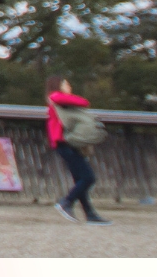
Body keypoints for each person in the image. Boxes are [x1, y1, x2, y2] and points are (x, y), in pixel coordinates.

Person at [45, 76, 109, 225]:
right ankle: (66, 202)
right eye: (66, 84)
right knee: (88, 177)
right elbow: (83, 102)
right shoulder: (56, 97)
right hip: (64, 143)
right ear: (58, 85)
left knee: (80, 179)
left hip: (69, 144)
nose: (69, 87)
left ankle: (90, 214)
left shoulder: (60, 102)